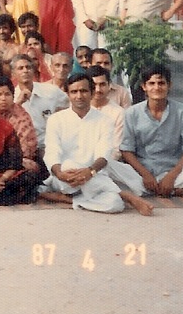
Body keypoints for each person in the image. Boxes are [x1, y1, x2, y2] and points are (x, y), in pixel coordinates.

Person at [39, 73, 153, 215]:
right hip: (65, 179)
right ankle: (125, 195)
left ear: (92, 93)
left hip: (94, 176)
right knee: (69, 164)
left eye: (84, 91)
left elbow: (104, 154)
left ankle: (67, 200)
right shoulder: (56, 120)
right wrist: (59, 173)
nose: (79, 96)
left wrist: (90, 171)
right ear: (67, 94)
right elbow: (52, 151)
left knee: (115, 204)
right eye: (74, 92)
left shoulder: (104, 121)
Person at [112, 65, 183, 199]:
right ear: (144, 86)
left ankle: (160, 189)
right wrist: (146, 175)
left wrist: (171, 176)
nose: (157, 88)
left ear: (169, 85)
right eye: (152, 83)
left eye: (161, 83)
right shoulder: (132, 113)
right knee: (108, 165)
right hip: (141, 174)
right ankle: (173, 191)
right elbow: (127, 150)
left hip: (175, 172)